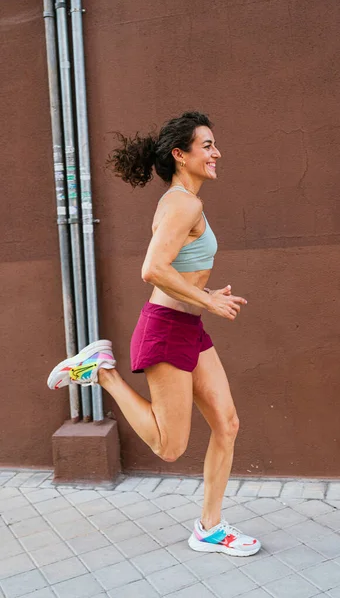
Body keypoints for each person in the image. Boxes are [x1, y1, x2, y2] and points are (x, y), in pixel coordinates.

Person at [47, 111, 261, 557]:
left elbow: (176, 268)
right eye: (207, 145)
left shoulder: (182, 200)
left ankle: (210, 527)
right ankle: (101, 371)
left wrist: (203, 292)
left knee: (228, 423)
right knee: (169, 446)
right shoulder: (185, 203)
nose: (216, 152)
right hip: (165, 331)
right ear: (181, 155)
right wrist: (208, 301)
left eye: (214, 144)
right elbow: (152, 269)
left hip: (186, 326)